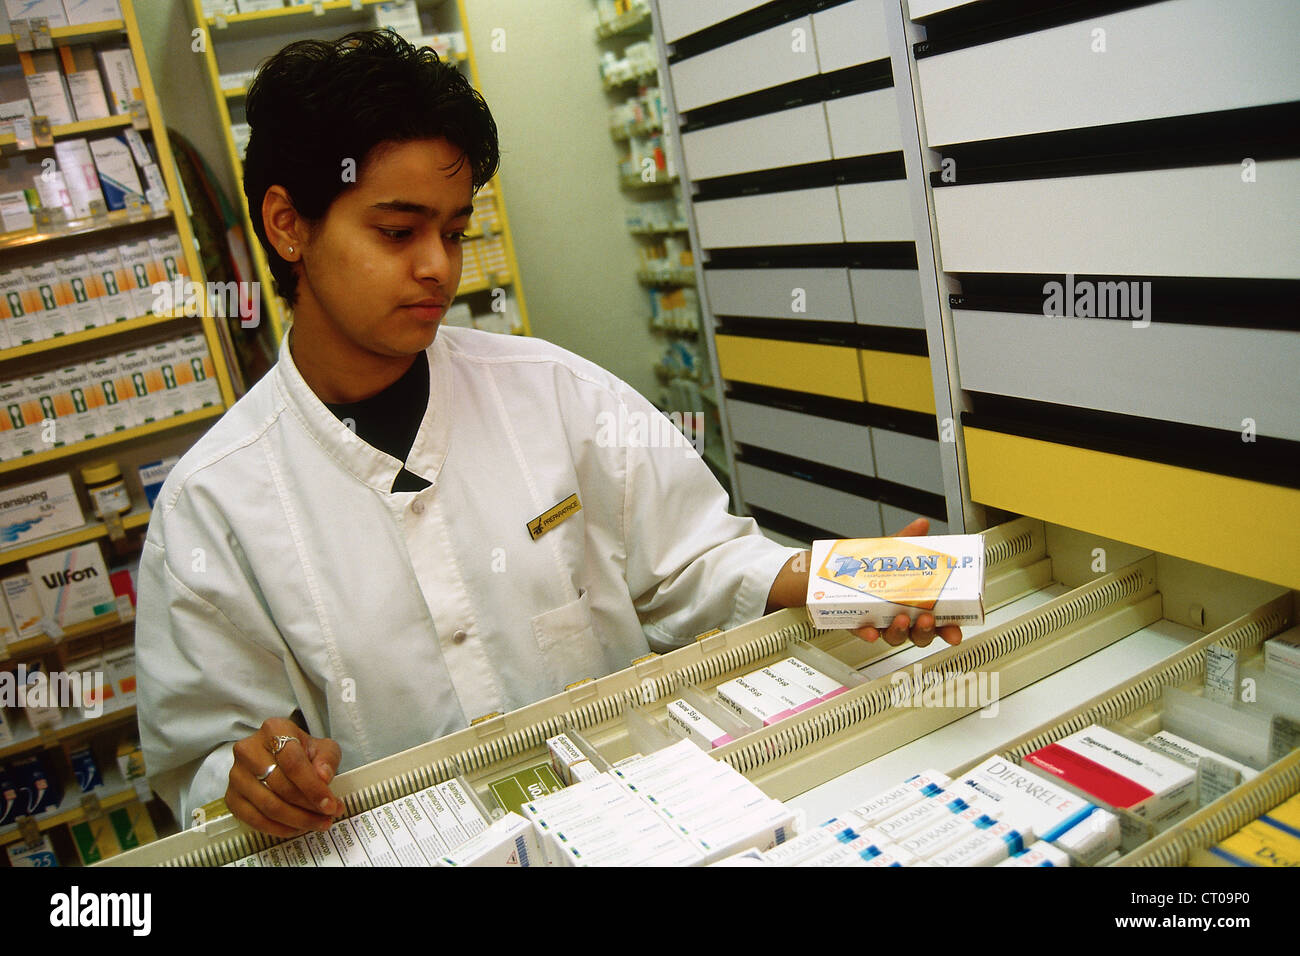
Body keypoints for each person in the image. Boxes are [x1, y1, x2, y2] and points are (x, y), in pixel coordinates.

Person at [135, 30, 961, 839]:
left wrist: (832, 576)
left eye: (453, 232)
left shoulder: (557, 392)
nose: (438, 267)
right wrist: (251, 780)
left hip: (635, 830)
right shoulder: (213, 506)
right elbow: (203, 765)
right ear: (288, 224)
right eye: (397, 232)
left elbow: (692, 561)